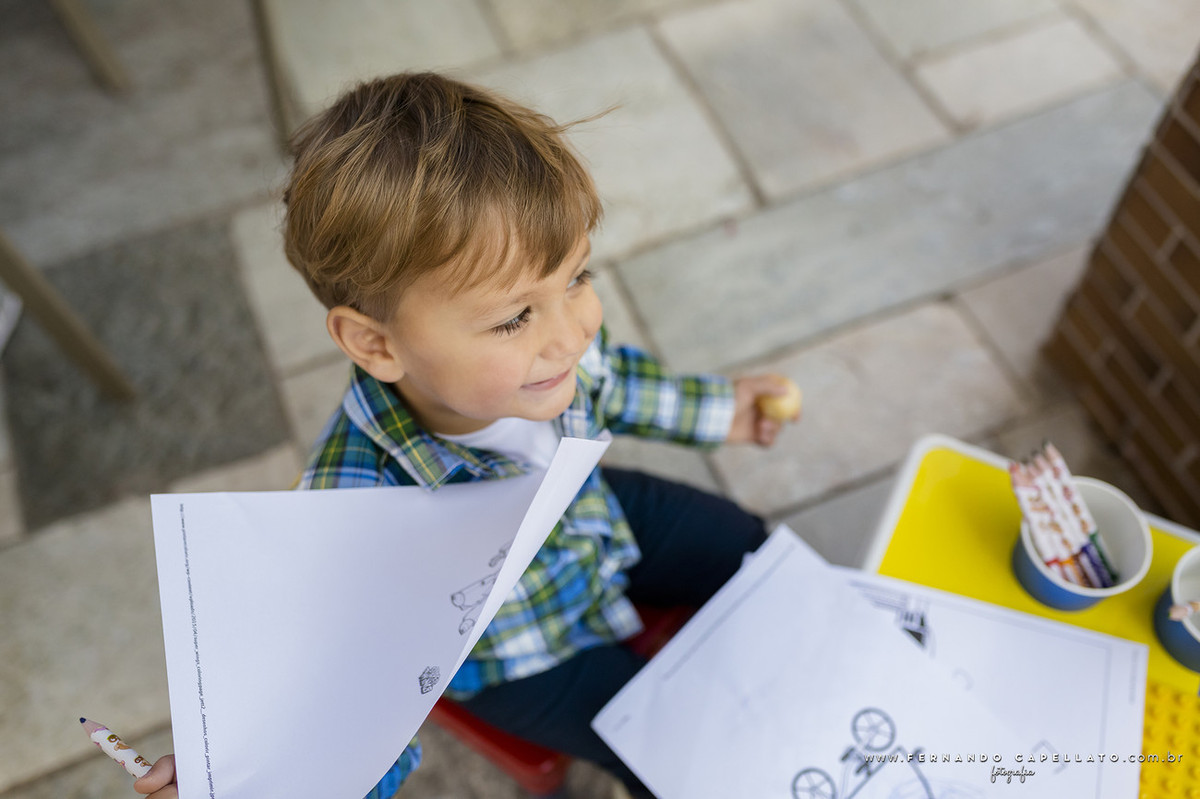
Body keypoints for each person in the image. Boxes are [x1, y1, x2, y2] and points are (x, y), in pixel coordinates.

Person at [136, 70, 799, 799]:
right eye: (514, 316)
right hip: (517, 651)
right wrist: (269, 779)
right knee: (669, 745)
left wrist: (717, 411)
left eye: (578, 276)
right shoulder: (352, 513)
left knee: (754, 549)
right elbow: (348, 688)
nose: (571, 332)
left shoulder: (556, 351)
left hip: (590, 517)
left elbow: (617, 381)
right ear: (376, 343)